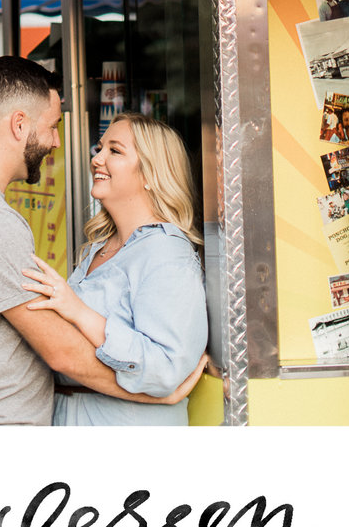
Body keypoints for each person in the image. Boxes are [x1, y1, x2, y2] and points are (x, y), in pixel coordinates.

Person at [0, 55, 207, 425]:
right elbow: (62, 352)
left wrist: (158, 385)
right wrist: (156, 395)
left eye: (113, 151)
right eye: (52, 127)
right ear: (19, 125)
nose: (55, 142)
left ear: (151, 173)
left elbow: (162, 360)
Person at [15, 113, 210, 426]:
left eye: (114, 151)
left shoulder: (166, 252)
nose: (97, 158)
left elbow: (168, 369)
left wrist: (79, 312)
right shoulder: (99, 247)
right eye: (99, 148)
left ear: (151, 173)